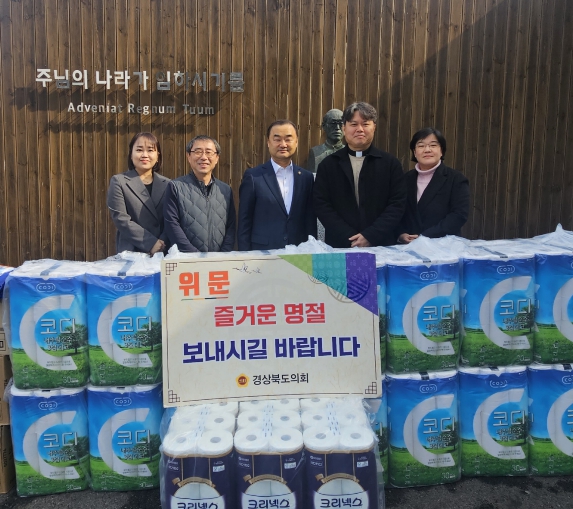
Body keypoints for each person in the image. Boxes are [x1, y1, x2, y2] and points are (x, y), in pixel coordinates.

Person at [313, 102, 406, 248]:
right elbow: (322, 205)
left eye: (365, 124)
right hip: (341, 245)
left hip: (382, 244)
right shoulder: (328, 165)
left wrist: (371, 235)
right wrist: (350, 237)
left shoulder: (390, 164)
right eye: (354, 124)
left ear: (374, 127)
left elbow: (397, 204)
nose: (360, 129)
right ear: (344, 128)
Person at [237, 120, 316, 251]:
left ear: (296, 142)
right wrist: (245, 255)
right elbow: (244, 221)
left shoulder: (306, 178)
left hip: (298, 253)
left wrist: (311, 250)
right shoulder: (253, 177)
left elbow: (310, 220)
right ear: (268, 142)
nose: (283, 144)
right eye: (277, 139)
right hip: (263, 253)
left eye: (288, 139)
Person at [163, 135, 236, 252]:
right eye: (198, 152)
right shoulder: (175, 187)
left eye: (209, 152)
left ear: (217, 158)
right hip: (187, 259)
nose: (203, 157)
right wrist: (194, 256)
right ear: (188, 156)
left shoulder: (225, 190)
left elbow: (231, 226)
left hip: (220, 260)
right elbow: (172, 225)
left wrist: (223, 254)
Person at [397, 127, 469, 244]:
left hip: (443, 246)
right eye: (421, 146)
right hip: (407, 246)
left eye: (433, 145)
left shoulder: (456, 179)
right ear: (414, 152)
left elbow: (459, 215)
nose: (427, 150)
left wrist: (425, 237)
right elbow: (396, 210)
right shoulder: (405, 179)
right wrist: (400, 234)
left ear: (442, 151)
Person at [107, 132, 170, 255]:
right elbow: (121, 219)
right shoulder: (119, 182)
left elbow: (171, 219)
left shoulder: (168, 184)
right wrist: (151, 243)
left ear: (158, 156)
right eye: (139, 150)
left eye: (150, 150)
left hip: (162, 250)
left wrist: (161, 243)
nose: (145, 155)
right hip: (132, 251)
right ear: (131, 154)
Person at [306, 109, 345, 173]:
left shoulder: (349, 153)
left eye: (341, 124)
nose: (337, 128)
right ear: (324, 126)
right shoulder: (315, 152)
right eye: (333, 124)